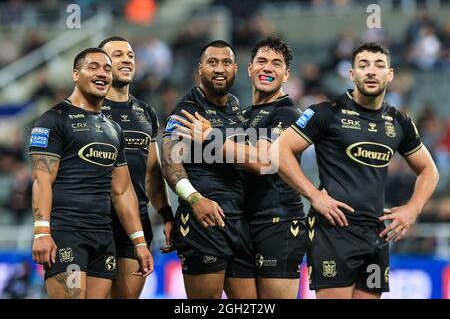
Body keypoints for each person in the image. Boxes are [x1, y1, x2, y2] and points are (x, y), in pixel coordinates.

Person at [275, 42, 439, 299]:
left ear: (390, 74)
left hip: (376, 235)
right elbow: (280, 152)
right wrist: (314, 196)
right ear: (352, 75)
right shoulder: (326, 113)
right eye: (363, 65)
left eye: (379, 65)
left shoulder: (399, 122)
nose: (371, 71)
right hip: (333, 231)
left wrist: (412, 209)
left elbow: (429, 170)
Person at [29, 47, 153, 299]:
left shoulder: (113, 129)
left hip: (103, 236)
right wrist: (42, 232)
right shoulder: (53, 119)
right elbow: (41, 178)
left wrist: (139, 242)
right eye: (93, 67)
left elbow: (122, 191)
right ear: (75, 74)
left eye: (107, 69)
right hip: (67, 233)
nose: (102, 74)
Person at [161, 40, 257, 299]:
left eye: (226, 62)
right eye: (212, 62)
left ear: (236, 69)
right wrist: (194, 199)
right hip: (203, 222)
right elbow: (170, 164)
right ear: (200, 68)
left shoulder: (236, 106)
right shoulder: (186, 110)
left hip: (237, 221)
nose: (219, 68)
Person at [98, 36, 174, 299]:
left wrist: (165, 214)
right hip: (94, 221)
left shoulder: (146, 113)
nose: (127, 59)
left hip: (137, 223)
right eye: (118, 54)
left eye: (130, 55)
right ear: (102, 64)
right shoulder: (87, 109)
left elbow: (153, 173)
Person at [242, 36, 307, 298]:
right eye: (262, 61)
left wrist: (212, 137)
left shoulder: (289, 113)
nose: (268, 68)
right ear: (249, 68)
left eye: (276, 64)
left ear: (286, 74)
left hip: (278, 224)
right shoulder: (242, 115)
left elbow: (264, 162)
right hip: (243, 223)